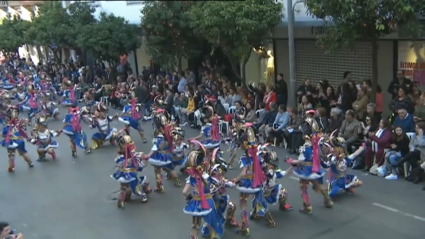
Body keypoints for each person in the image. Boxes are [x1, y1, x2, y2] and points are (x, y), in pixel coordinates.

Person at [285, 111, 334, 214]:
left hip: (306, 169)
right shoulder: (317, 143)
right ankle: (328, 200)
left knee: (303, 186)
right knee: (318, 184)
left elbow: (301, 161)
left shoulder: (306, 146)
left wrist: (291, 161)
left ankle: (307, 206)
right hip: (315, 168)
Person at [183, 143, 224, 239]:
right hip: (208, 201)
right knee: (211, 222)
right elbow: (214, 187)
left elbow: (184, 191)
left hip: (195, 203)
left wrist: (188, 197)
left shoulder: (191, 178)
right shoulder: (206, 176)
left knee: (195, 224)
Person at [232, 122, 266, 236]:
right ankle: (258, 213)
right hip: (256, 182)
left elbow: (244, 172)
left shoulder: (244, 158)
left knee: (243, 204)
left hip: (246, 182)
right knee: (256, 199)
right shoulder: (257, 156)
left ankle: (245, 227)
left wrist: (236, 179)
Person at [249, 145, 292, 227]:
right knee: (258, 213)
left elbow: (286, 173)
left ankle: (282, 205)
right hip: (261, 193)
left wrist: (293, 166)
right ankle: (262, 215)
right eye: (272, 164)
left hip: (271, 191)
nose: (273, 166)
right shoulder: (261, 172)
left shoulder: (274, 171)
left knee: (283, 193)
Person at [111, 132, 150, 208]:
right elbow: (119, 163)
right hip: (123, 174)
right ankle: (122, 200)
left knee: (135, 188)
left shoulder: (134, 155)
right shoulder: (121, 156)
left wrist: (141, 159)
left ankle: (143, 194)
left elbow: (141, 165)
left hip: (131, 174)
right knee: (123, 187)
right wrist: (124, 162)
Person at [0, 105, 33, 172]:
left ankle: (12, 166)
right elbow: (24, 131)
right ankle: (30, 163)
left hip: (10, 141)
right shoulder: (20, 123)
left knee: (11, 154)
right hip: (19, 140)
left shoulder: (7, 126)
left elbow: (3, 135)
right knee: (23, 153)